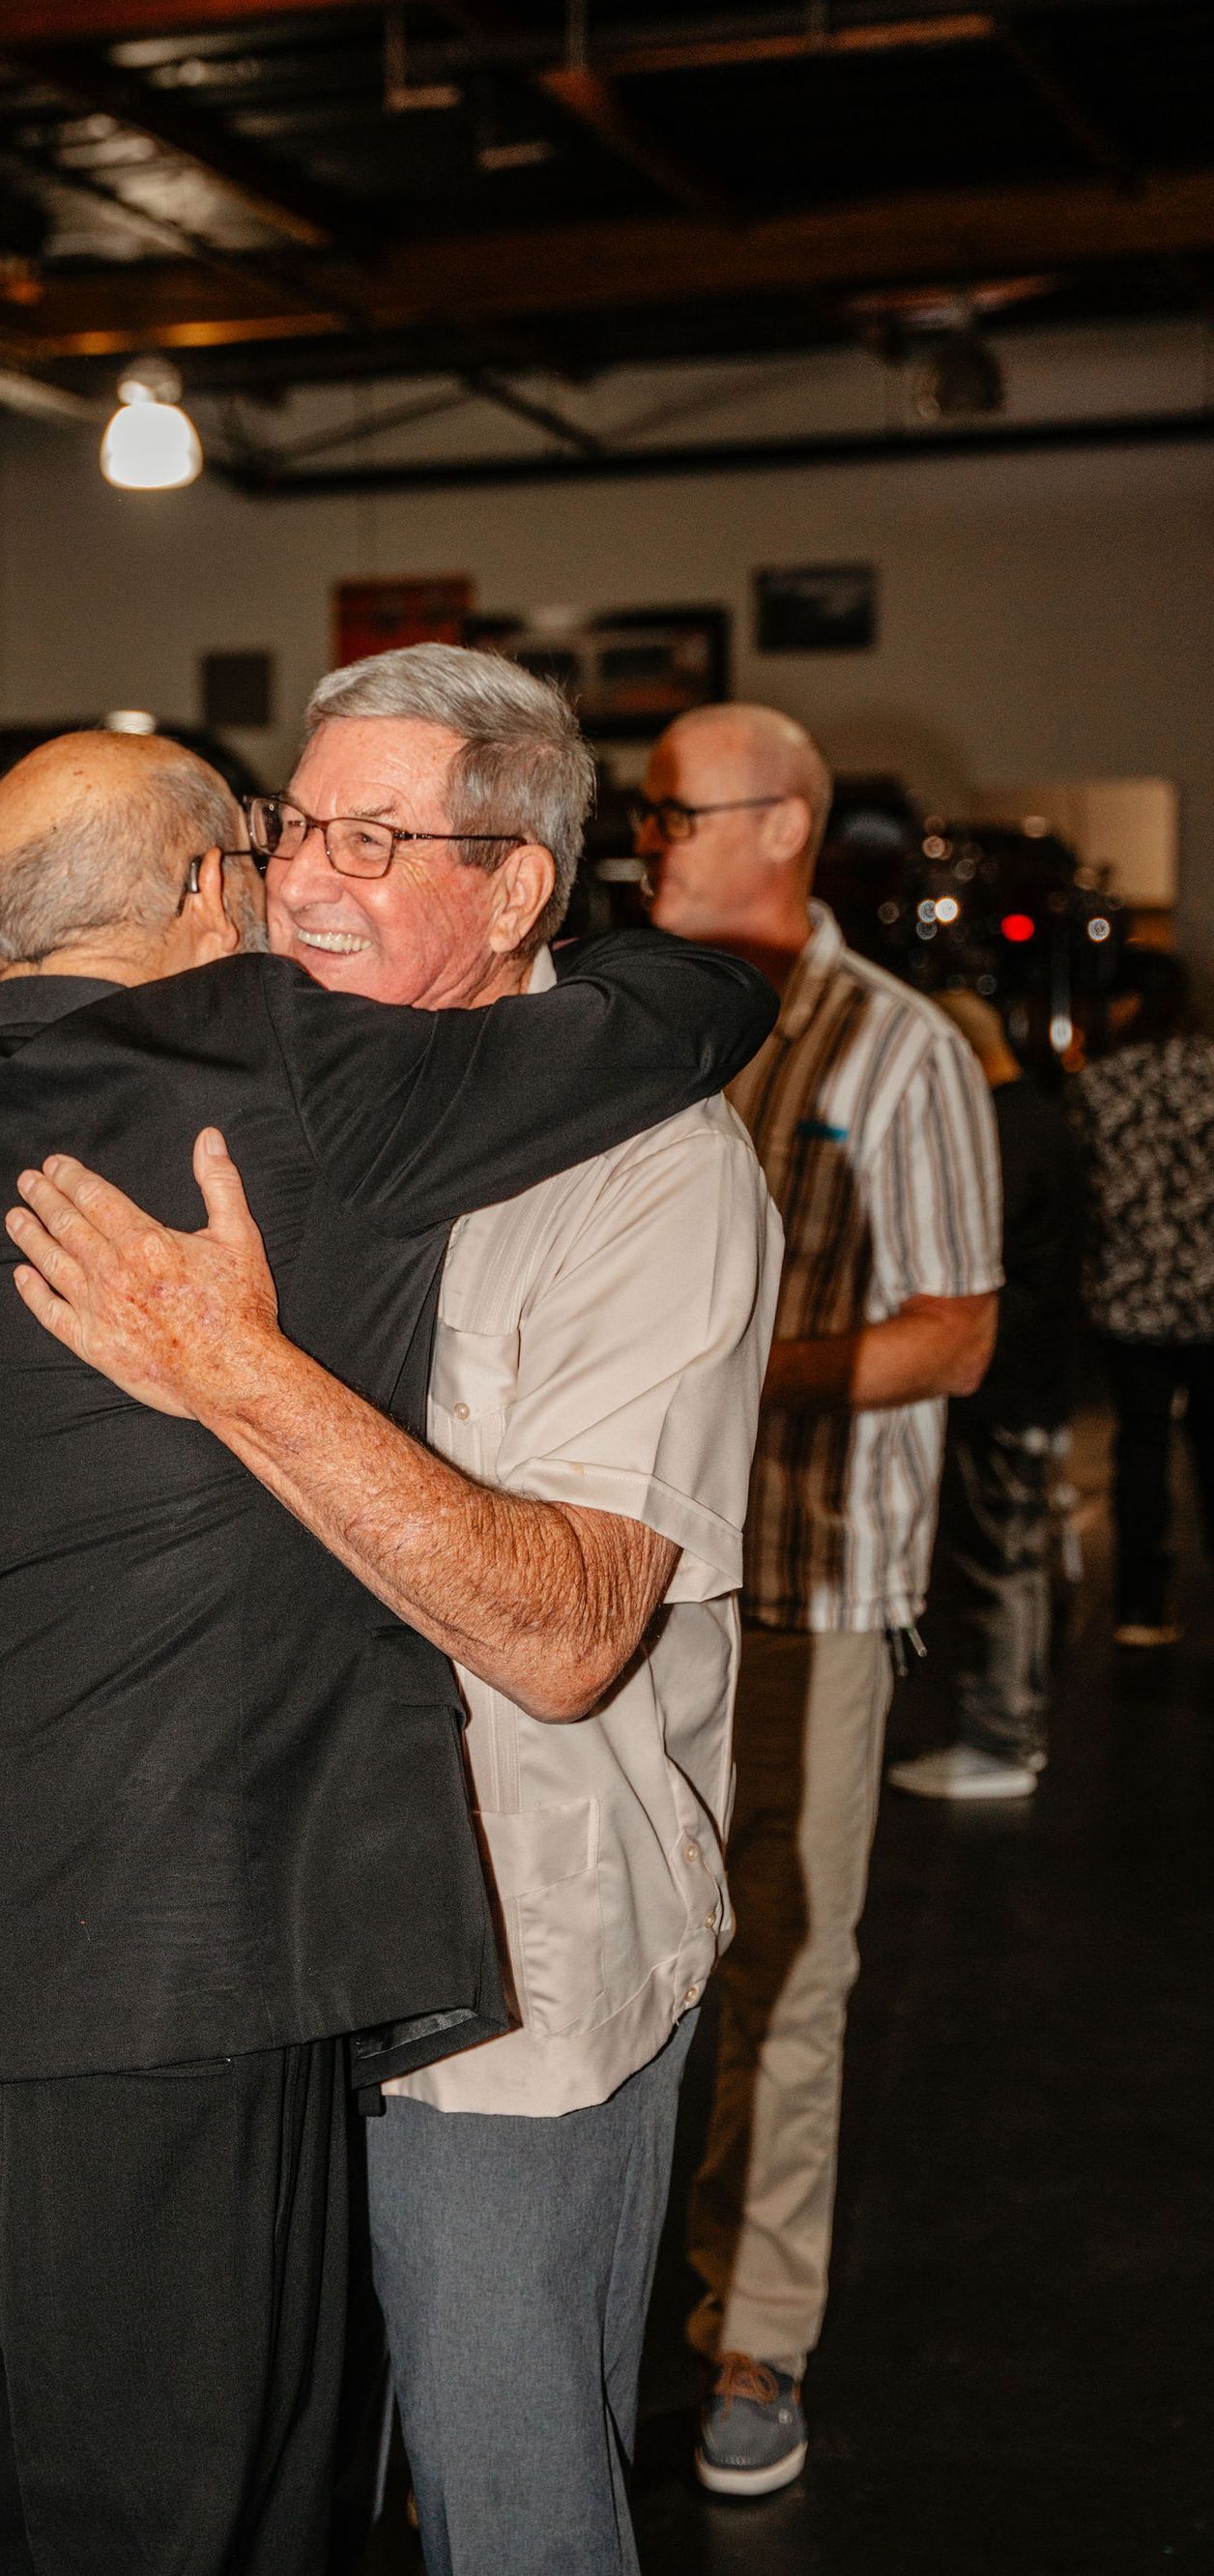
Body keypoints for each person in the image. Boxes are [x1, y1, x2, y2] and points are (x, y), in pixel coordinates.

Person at [0, 660, 777, 2576]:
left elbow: (572, 1636)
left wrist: (236, 1372)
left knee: (505, 2507)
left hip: (506, 1958)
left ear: (514, 890)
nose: (305, 880)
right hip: (240, 1949)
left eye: (374, 837)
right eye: (293, 825)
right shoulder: (237, 1074)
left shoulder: (654, 1161)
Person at [633, 704, 1000, 2499]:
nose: (645, 837)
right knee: (608, 1955)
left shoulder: (897, 1048)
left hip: (804, 1582)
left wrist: (733, 1373)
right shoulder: (629, 1026)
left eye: (671, 809)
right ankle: (581, 2315)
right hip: (622, 1576)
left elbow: (960, 1327)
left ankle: (756, 2326)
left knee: (784, 1967)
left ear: (778, 823)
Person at [889, 990, 1083, 1801]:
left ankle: (1003, 1736)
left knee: (1001, 1559)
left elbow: (975, 1267)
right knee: (1016, 1552)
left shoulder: (999, 1133)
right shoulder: (1043, 1116)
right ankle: (1006, 1729)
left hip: (1007, 1379)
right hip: (1035, 1373)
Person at [1068, 946, 1214, 1647]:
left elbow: (1084, 1196)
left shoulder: (1101, 1083)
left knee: (1143, 1450)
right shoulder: (1212, 1073)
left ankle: (1141, 1608)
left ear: (1129, 1002)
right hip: (1210, 1295)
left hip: (1130, 1298)